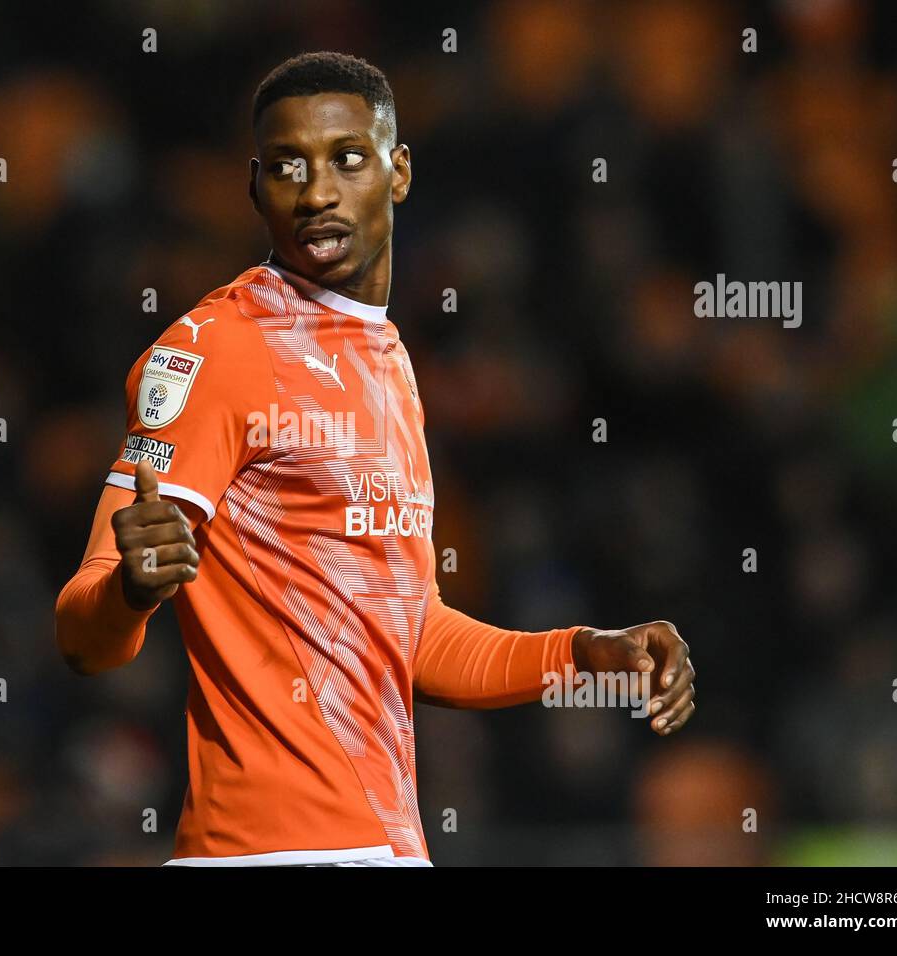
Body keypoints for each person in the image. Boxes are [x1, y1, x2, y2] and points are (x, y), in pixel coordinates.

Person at [55, 51, 696, 867]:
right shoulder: (213, 353)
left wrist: (583, 652)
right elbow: (84, 636)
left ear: (398, 172)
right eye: (288, 166)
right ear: (255, 186)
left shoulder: (387, 360)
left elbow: (416, 641)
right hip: (265, 855)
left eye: (346, 159)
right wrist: (131, 592)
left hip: (381, 849)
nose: (317, 191)